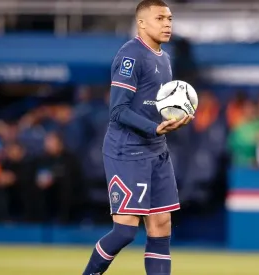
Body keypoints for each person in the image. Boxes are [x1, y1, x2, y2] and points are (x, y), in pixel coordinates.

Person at [82, 1, 193, 274]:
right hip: (127, 151)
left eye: (170, 18)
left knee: (161, 225)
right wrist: (154, 128)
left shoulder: (165, 59)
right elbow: (117, 110)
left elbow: (152, 105)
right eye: (160, 18)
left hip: (157, 151)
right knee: (125, 232)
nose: (167, 24)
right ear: (142, 23)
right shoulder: (130, 56)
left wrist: (170, 120)